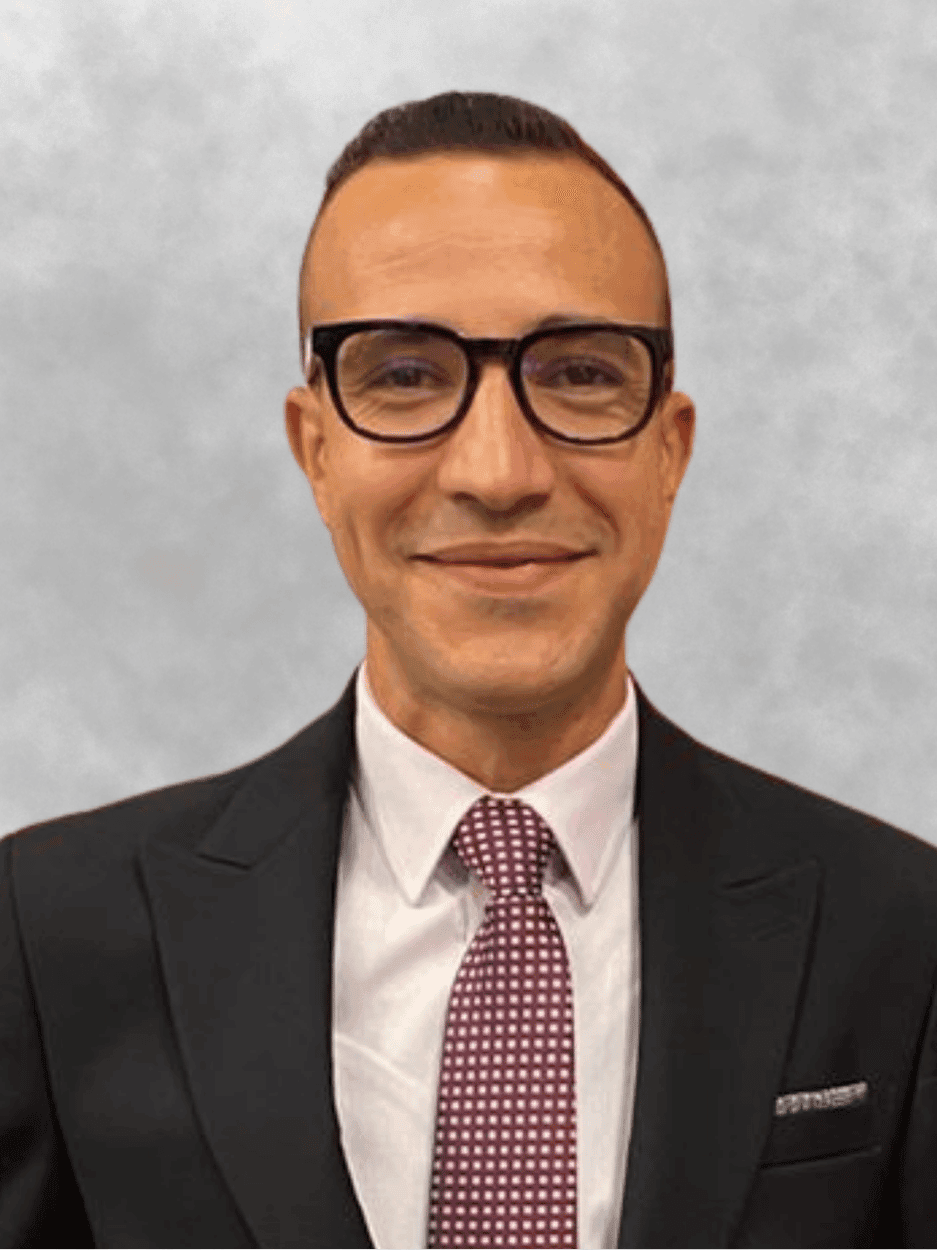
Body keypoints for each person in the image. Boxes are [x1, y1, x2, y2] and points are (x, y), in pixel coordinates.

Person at [2, 90, 936, 1250]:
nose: (498, 472)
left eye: (580, 373)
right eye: (404, 375)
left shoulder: (900, 934)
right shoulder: (47, 935)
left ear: (669, 449)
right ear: (315, 449)